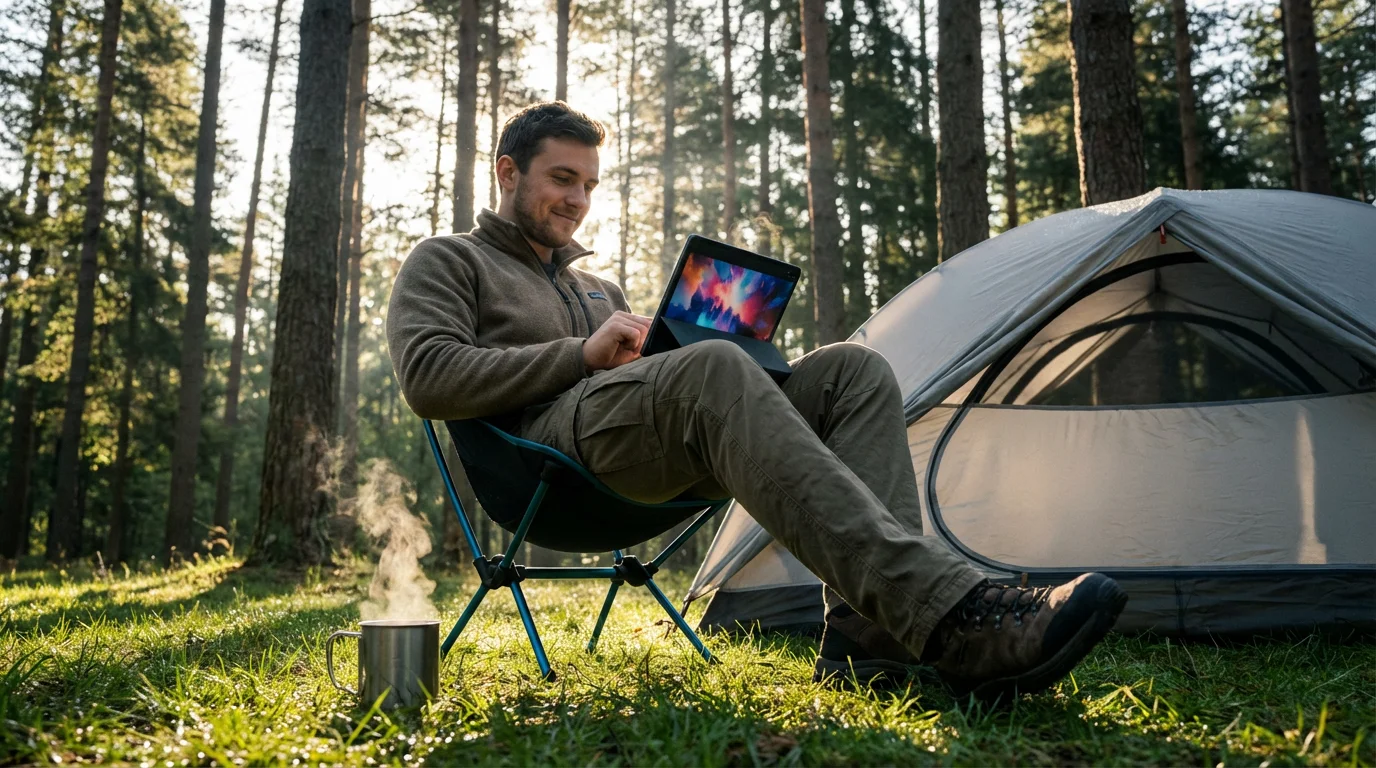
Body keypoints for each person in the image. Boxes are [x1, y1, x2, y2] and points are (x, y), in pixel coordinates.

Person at [385, 101, 1128, 702]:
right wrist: (582, 355)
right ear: (507, 172)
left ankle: (871, 646)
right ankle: (949, 613)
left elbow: (658, 383)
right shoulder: (450, 260)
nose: (577, 200)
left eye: (589, 185)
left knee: (850, 372)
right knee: (712, 367)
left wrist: (675, 354)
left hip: (647, 440)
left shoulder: (596, 287)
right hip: (544, 462)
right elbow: (428, 375)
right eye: (561, 178)